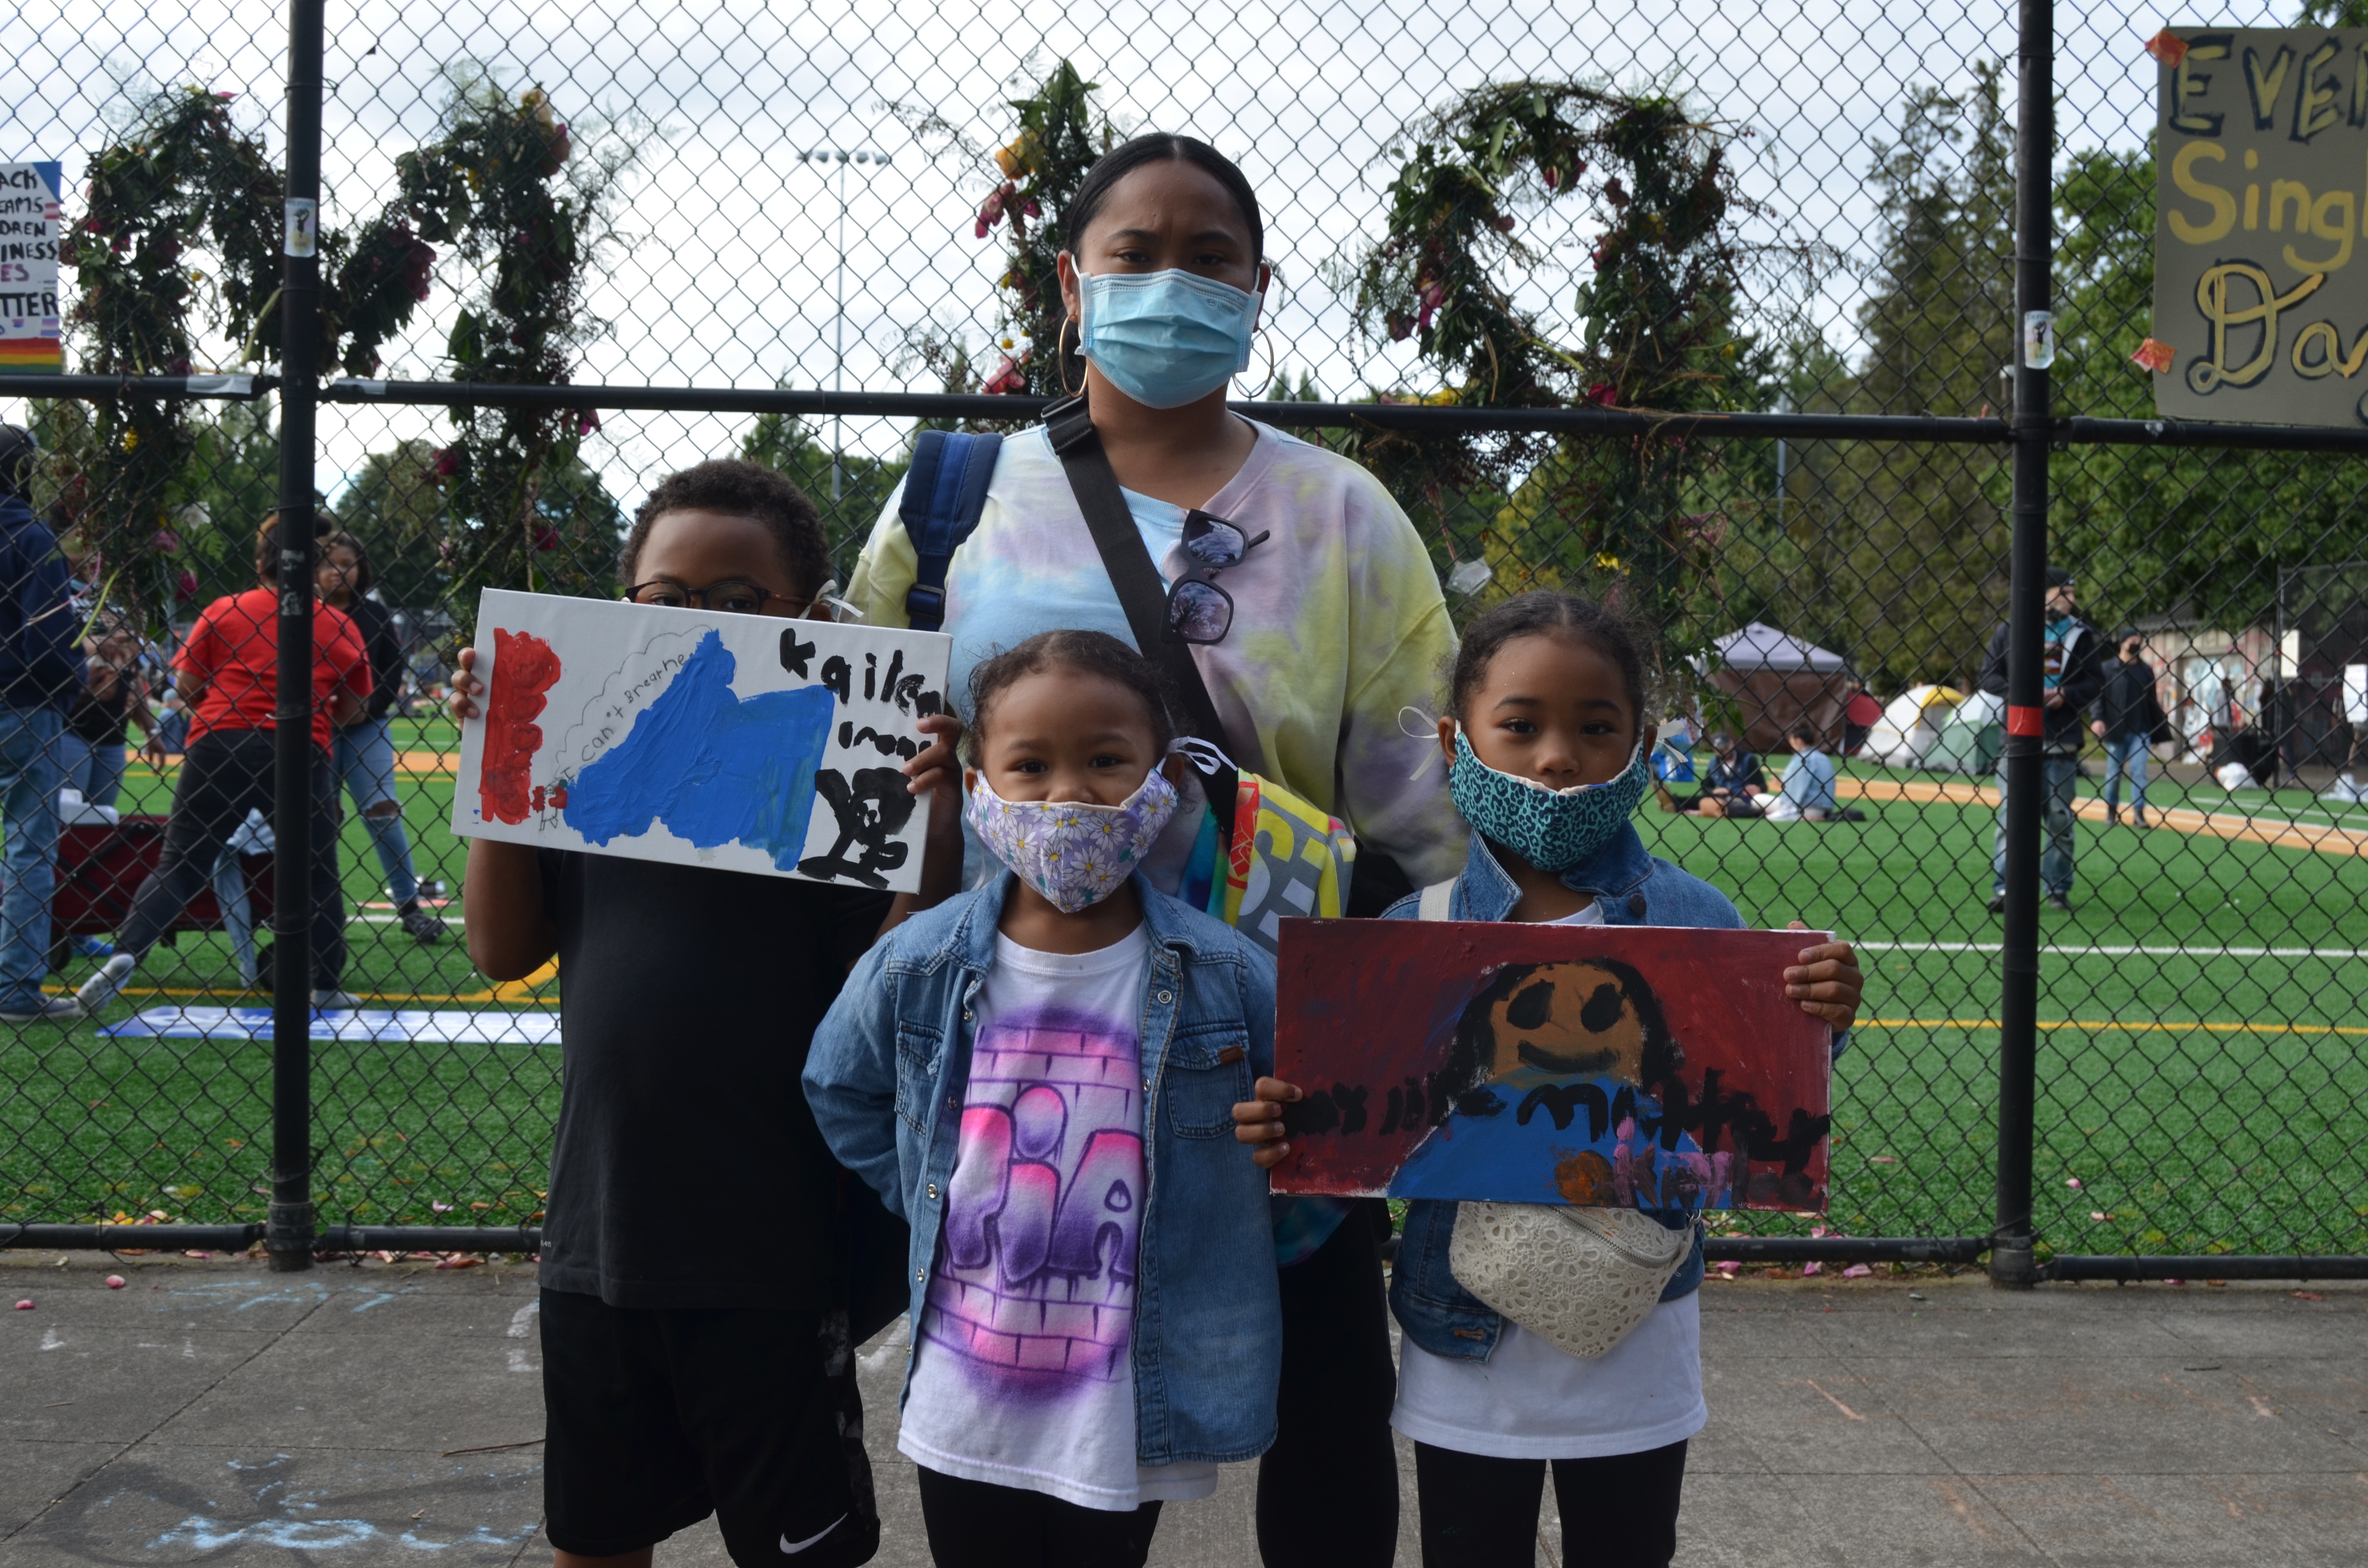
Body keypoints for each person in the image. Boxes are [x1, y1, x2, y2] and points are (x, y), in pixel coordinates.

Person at [844, 134, 1459, 1566]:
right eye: (1135, 253)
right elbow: (859, 754)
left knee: (1324, 1418)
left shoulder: (1345, 520)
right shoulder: (956, 504)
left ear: (1258, 290)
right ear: (1072, 286)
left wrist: (1382, 1062)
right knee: (1025, 1448)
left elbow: (1423, 827)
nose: (1172, 280)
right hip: (1023, 1060)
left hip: (1273, 1062)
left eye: (1209, 257)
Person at [1232, 592, 1862, 1568]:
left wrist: (1818, 1018)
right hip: (1464, 1344)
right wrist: (1292, 1123)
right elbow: (1354, 1128)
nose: (1557, 757)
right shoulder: (1410, 937)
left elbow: (1749, 1104)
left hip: (1638, 1331)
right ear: (1457, 740)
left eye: (1594, 727)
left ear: (1641, 743)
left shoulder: (1698, 923)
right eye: (1520, 725)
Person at [456, 459, 960, 1568]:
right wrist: (500, 766)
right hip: (600, 1238)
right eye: (669, 598)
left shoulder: (838, 784)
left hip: (769, 1252)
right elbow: (502, 949)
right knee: (596, 1533)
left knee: (798, 1546)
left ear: (812, 619)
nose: (699, 622)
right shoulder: (590, 764)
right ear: (625, 603)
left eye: (739, 601)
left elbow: (891, 988)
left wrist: (931, 829)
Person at [805, 630, 1283, 1568]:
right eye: (1029, 765)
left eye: (1105, 760)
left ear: (1164, 781)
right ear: (979, 784)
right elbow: (838, 1083)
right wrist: (933, 1194)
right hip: (966, 1390)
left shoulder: (1228, 975)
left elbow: (1298, 1122)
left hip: (1127, 1398)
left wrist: (1280, 1134)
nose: (1068, 794)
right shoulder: (917, 961)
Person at [75, 515, 371, 1013]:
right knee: (317, 873)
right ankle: (325, 982)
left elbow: (187, 687)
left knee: (181, 864)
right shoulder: (336, 623)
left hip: (221, 740)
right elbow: (357, 707)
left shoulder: (226, 610)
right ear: (315, 567)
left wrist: (229, 706)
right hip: (298, 746)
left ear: (260, 564)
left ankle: (129, 950)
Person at [315, 529, 444, 943]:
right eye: (329, 564)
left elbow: (392, 669)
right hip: (317, 728)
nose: (338, 572)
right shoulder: (302, 612)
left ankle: (409, 907)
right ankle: (320, 907)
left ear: (361, 569)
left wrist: (365, 709)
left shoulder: (374, 614)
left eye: (347, 564)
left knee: (383, 814)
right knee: (319, 819)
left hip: (367, 726)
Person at [0, 423, 83, 1023]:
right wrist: (73, 681)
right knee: (29, 847)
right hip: (23, 704)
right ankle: (14, 988)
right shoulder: (31, 537)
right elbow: (48, 644)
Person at [1977, 564, 2102, 914]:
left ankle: (2057, 888)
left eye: (2073, 593)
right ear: (2044, 594)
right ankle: (2006, 888)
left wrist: (2067, 694)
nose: (2072, 599)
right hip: (2017, 741)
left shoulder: (2081, 635)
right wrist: (2022, 693)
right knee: (2012, 819)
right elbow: (1987, 676)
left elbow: (2095, 681)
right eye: (2065, 592)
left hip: (2062, 740)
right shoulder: (2011, 629)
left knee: (2060, 819)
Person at [59, 615, 160, 811]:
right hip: (72, 731)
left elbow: (133, 680)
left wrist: (151, 730)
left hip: (114, 737)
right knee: (68, 812)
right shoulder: (74, 605)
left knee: (103, 816)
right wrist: (97, 642)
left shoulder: (129, 616)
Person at [2091, 629, 2165, 827]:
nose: (2136, 643)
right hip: (2116, 729)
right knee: (2114, 774)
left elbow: (2152, 702)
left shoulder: (2145, 671)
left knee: (2139, 771)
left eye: (2139, 640)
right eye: (2132, 640)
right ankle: (2111, 810)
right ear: (2123, 643)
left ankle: (2139, 813)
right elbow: (2098, 697)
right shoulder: (2108, 669)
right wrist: (2098, 719)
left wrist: (2157, 731)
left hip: (2141, 730)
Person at [1762, 722, 1838, 823]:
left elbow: (1796, 793)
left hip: (1804, 809)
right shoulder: (1825, 758)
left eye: (1791, 741)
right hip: (1826, 809)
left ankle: (1790, 815)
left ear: (1798, 741)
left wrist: (1782, 784)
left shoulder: (1801, 759)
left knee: (1758, 800)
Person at [1677, 732, 1764, 816]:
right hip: (1722, 799)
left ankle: (1752, 812)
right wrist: (1714, 791)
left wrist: (1758, 789)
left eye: (1726, 748)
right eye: (1719, 750)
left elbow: (1763, 786)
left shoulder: (1748, 760)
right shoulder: (1713, 764)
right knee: (1693, 800)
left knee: (1738, 806)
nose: (1723, 752)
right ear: (1714, 750)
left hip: (1744, 800)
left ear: (1732, 743)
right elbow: (1706, 788)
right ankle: (1675, 802)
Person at [1840, 676, 1881, 756]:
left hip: (1860, 725)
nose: (1857, 685)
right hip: (1851, 722)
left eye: (1859, 684)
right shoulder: (1848, 695)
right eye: (1856, 683)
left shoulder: (1864, 697)